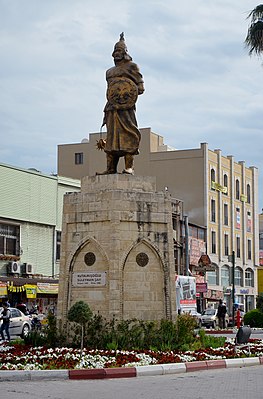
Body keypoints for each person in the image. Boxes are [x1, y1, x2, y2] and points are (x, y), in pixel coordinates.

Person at [99, 32, 145, 175]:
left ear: (125, 52)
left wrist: (127, 93)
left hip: (126, 108)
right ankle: (111, 168)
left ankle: (129, 167)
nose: (116, 54)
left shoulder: (133, 67)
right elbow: (110, 91)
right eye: (115, 51)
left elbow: (140, 87)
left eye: (119, 51)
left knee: (129, 133)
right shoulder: (109, 72)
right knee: (112, 137)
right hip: (112, 108)